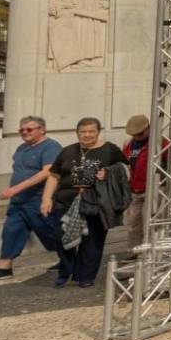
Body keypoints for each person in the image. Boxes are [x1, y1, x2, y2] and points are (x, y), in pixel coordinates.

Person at [41, 117, 127, 288]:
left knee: (92, 241)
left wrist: (109, 173)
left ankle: (86, 276)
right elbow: (54, 175)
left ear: (98, 132)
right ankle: (66, 269)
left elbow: (126, 169)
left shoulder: (110, 150)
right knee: (61, 237)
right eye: (83, 132)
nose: (87, 135)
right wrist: (46, 199)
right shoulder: (66, 151)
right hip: (64, 202)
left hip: (95, 203)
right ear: (77, 133)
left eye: (91, 131)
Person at [0, 117, 65, 283]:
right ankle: (4, 268)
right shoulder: (21, 148)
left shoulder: (51, 147)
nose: (25, 132)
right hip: (18, 201)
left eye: (29, 129)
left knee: (51, 231)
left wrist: (16, 188)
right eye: (22, 130)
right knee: (10, 231)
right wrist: (15, 191)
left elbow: (48, 172)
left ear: (42, 130)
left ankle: (68, 258)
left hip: (38, 199)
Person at [120, 114, 168, 259]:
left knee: (152, 221)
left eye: (140, 133)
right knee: (132, 222)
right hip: (135, 189)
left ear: (148, 128)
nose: (138, 137)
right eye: (134, 134)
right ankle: (135, 251)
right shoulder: (129, 144)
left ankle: (153, 251)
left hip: (154, 188)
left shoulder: (160, 142)